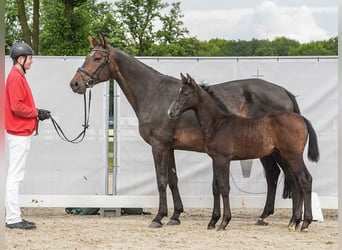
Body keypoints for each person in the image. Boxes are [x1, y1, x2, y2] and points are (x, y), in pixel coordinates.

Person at [5, 42, 50, 230]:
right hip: (18, 132)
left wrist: (36, 112)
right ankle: (13, 218)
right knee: (15, 176)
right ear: (21, 59)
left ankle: (14, 216)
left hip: (20, 132)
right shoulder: (15, 77)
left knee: (16, 175)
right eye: (30, 58)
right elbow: (16, 106)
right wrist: (36, 112)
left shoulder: (19, 76)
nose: (31, 62)